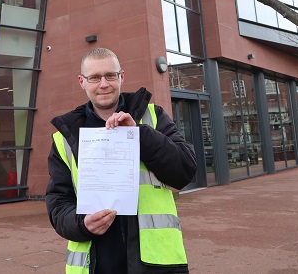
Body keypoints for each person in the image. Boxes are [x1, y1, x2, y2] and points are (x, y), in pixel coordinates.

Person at [45, 48, 197, 274]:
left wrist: (139, 134)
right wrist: (81, 224)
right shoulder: (66, 137)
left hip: (155, 264)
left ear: (121, 77)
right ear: (82, 82)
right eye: (95, 78)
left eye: (111, 75)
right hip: (94, 265)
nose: (104, 84)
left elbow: (185, 171)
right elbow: (58, 202)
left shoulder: (153, 117)